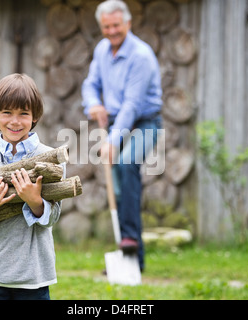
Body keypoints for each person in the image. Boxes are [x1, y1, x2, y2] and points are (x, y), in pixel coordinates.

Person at [0, 73, 64, 300]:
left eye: (23, 113)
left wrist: (34, 201)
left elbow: (53, 217)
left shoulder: (49, 160)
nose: (15, 121)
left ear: (35, 116)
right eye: (7, 112)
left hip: (33, 277)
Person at [82, 0, 163, 271]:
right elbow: (90, 84)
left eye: (116, 25)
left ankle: (128, 239)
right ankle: (131, 260)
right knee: (119, 189)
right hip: (115, 122)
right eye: (106, 26)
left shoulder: (141, 56)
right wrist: (93, 103)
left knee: (127, 163)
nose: (112, 31)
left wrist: (113, 141)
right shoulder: (102, 50)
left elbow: (132, 105)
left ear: (127, 23)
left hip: (144, 122)